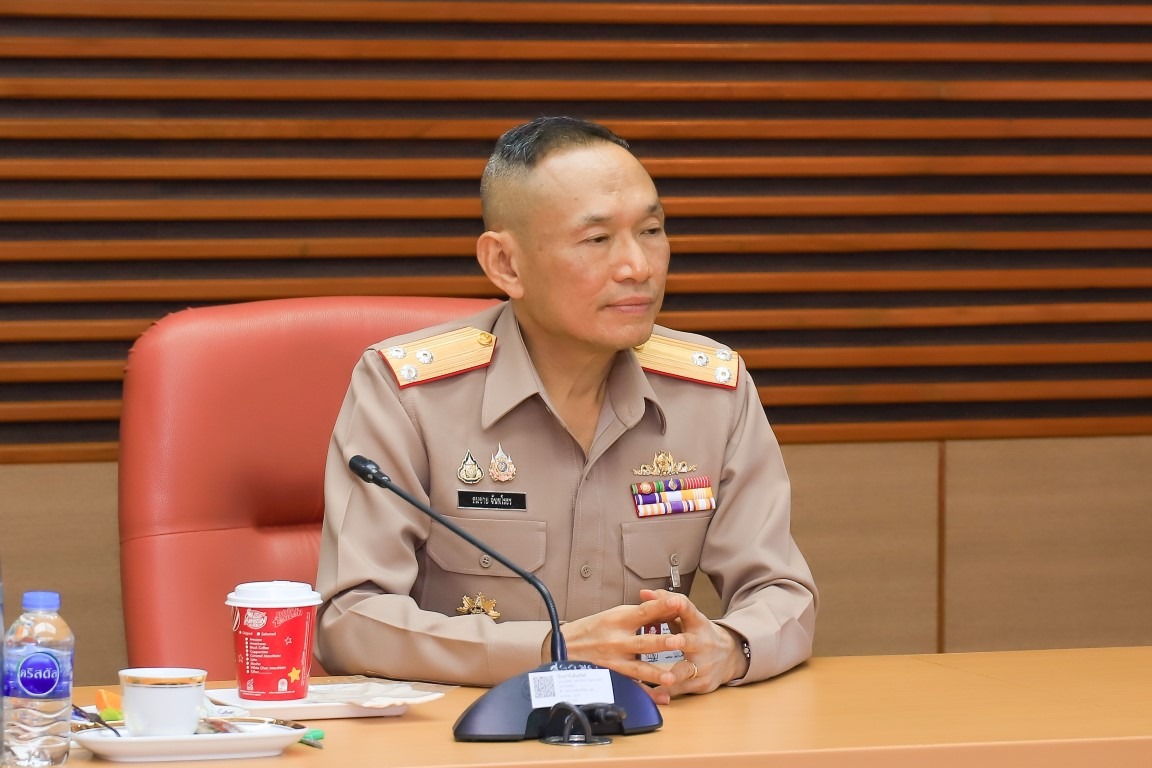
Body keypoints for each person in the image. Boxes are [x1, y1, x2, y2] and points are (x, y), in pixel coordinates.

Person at [315, 116, 817, 703]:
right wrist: (551, 650)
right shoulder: (410, 394)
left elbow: (782, 592)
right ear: (506, 264)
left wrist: (729, 647)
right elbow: (350, 620)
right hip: (466, 731)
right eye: (597, 240)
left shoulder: (711, 392)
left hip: (652, 728)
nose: (638, 267)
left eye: (652, 231)